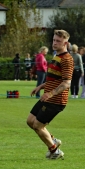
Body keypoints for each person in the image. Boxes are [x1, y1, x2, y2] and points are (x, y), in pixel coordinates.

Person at [27, 30, 74, 160]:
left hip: (56, 100)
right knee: (30, 121)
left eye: (58, 41)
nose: (54, 43)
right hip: (48, 96)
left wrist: (50, 93)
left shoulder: (67, 60)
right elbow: (53, 79)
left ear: (66, 43)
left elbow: (66, 83)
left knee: (38, 125)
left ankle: (55, 151)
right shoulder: (56, 56)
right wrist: (40, 87)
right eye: (54, 40)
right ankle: (53, 141)